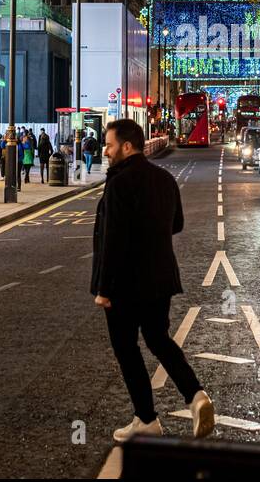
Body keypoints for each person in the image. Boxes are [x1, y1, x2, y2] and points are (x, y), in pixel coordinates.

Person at [92, 118, 215, 442]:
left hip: (124, 284)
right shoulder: (164, 178)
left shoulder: (118, 184)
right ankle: (196, 395)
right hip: (160, 279)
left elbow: (114, 240)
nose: (105, 151)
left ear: (127, 147)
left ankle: (146, 418)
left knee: (126, 348)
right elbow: (177, 224)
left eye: (110, 144)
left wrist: (104, 290)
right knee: (159, 339)